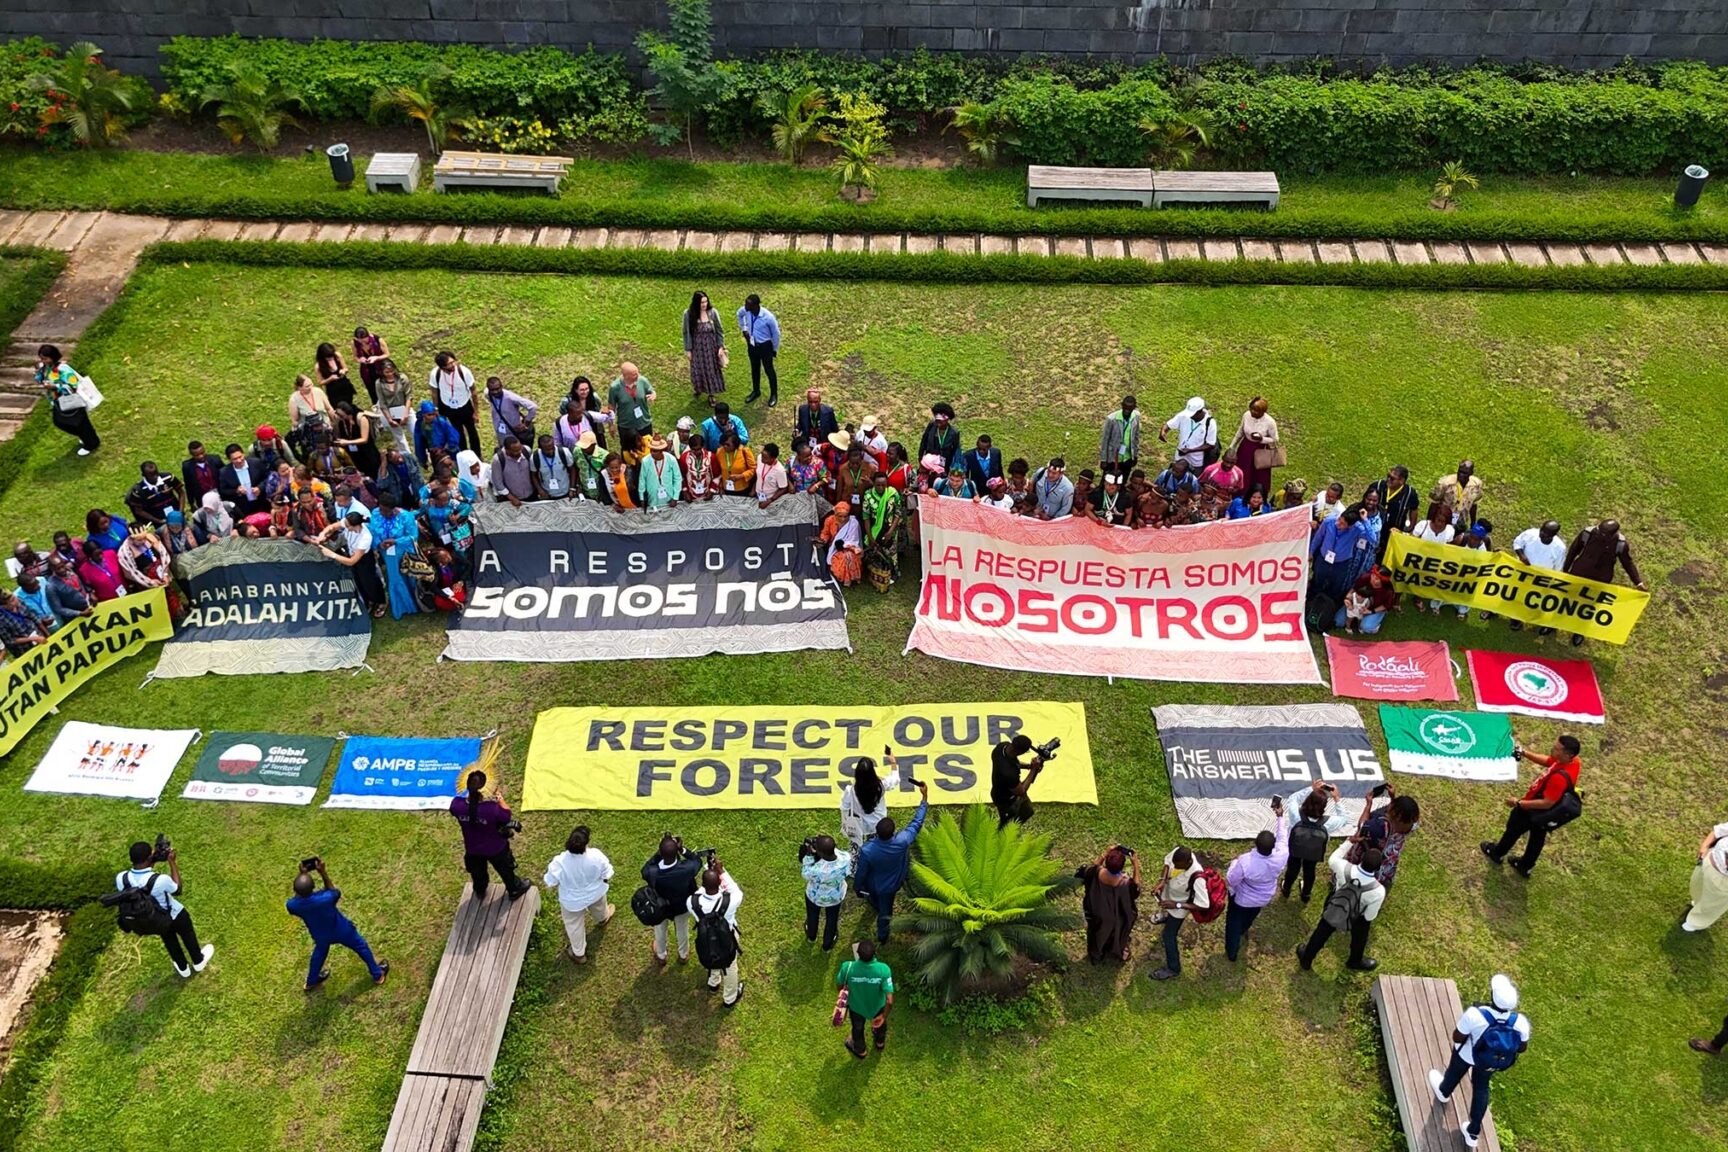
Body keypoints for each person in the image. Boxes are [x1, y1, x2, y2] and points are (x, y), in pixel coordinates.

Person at [1428, 974, 1529, 1149]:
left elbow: (1457, 1037)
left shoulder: (1475, 1014)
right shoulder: (1520, 1022)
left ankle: (1444, 1092)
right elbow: (1521, 1048)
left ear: (1492, 997)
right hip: (1490, 1062)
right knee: (1481, 1088)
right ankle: (1472, 1133)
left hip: (1467, 1055)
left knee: (1454, 1072)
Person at [1481, 734, 1582, 877]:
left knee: (1513, 830)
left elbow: (1547, 803)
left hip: (1532, 809)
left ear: (1568, 754)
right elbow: (1549, 761)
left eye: (1557, 748)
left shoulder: (1559, 778)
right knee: (1537, 837)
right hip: (1545, 815)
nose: (1552, 748)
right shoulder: (1574, 762)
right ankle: (1525, 866)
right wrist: (1524, 753)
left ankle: (1497, 853)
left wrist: (1519, 803)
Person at [116, 839, 213, 978]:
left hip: (154, 919)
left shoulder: (121, 878)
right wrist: (172, 862)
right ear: (149, 857)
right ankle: (198, 961)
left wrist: (152, 860)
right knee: (188, 935)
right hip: (175, 914)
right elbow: (177, 889)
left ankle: (183, 968)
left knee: (169, 940)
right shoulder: (160, 880)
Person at [287, 856, 387, 990]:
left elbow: (299, 895)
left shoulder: (293, 906)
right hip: (341, 930)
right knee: (361, 946)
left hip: (321, 936)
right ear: (313, 887)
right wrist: (323, 872)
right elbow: (334, 892)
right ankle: (377, 974)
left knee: (319, 954)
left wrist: (302, 874)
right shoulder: (325, 898)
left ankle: (311, 982)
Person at [853, 780, 930, 942]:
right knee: (885, 913)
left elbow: (861, 872)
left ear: (876, 832)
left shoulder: (868, 850)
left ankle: (876, 910)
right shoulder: (902, 841)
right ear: (893, 832)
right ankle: (883, 936)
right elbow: (916, 823)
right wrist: (924, 798)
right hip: (891, 885)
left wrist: (858, 887)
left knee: (877, 902)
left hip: (874, 884)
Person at [1295, 844, 1385, 972]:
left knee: (1322, 931)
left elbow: (1333, 858)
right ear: (1378, 868)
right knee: (1361, 934)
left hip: (1336, 905)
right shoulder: (1378, 891)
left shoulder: (1343, 867)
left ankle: (1306, 958)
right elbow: (1369, 916)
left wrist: (1349, 841)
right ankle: (1355, 960)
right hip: (1357, 916)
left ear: (1362, 858)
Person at [1560, 519, 1648, 647]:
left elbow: (1627, 563)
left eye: (1602, 533)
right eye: (1598, 529)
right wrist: (1565, 569)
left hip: (1600, 579)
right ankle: (1554, 625)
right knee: (1567, 599)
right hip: (1579, 573)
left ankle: (1579, 631)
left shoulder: (1620, 544)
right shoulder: (1588, 533)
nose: (1598, 533)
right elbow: (1574, 550)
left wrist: (1638, 582)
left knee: (1589, 606)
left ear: (1612, 535)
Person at [449, 770, 532, 900]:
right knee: (505, 870)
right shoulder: (491, 809)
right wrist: (499, 797)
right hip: (496, 848)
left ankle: (480, 891)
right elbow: (506, 815)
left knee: (478, 873)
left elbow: (458, 810)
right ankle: (514, 889)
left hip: (472, 849)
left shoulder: (456, 805)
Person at [1225, 798, 1289, 962]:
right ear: (1272, 846)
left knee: (1233, 923)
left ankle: (1232, 952)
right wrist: (1280, 817)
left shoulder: (1245, 862)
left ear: (1256, 844)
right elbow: (1283, 838)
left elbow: (1232, 880)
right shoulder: (1281, 855)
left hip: (1242, 899)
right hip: (1263, 897)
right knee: (1250, 916)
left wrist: (1233, 864)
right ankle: (1243, 930)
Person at [544, 826, 615, 964]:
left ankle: (579, 954)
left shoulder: (559, 862)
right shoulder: (596, 856)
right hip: (596, 893)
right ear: (586, 843)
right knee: (600, 907)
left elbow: (550, 882)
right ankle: (603, 919)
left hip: (572, 902)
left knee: (574, 926)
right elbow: (607, 873)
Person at [1282, 780, 1353, 901]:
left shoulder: (1296, 814)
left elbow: (1293, 798)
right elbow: (1344, 818)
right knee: (1310, 870)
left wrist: (1311, 788)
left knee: (1292, 867)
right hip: (1314, 851)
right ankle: (1306, 894)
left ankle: (1286, 888)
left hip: (1295, 847)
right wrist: (1336, 798)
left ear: (1307, 800)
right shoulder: (1328, 823)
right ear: (1324, 806)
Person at [1148, 846, 1210, 981]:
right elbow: (1167, 863)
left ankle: (1173, 968)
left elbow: (1204, 905)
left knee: (1168, 936)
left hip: (1179, 908)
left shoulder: (1197, 877)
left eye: (1178, 865)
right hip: (1170, 897)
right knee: (1166, 911)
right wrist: (1162, 880)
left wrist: (1176, 905)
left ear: (1188, 863)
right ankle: (1165, 916)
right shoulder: (1179, 854)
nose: (1174, 867)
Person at [688, 863, 745, 1006]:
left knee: (711, 956)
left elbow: (701, 891)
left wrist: (709, 873)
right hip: (728, 936)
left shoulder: (691, 902)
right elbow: (735, 890)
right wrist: (721, 872)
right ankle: (729, 998)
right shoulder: (731, 900)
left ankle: (713, 982)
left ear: (703, 884)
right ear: (720, 883)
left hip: (706, 937)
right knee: (730, 966)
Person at [642, 836, 704, 965]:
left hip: (660, 907)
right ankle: (683, 954)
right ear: (676, 853)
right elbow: (697, 860)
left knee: (660, 930)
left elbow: (645, 868)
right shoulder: (687, 869)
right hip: (681, 906)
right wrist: (682, 849)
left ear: (661, 852)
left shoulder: (652, 872)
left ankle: (661, 955)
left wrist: (659, 853)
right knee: (682, 930)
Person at [316, 511, 386, 617]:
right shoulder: (348, 522)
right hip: (352, 553)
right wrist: (322, 534)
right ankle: (368, 601)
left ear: (356, 525)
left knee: (370, 581)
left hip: (364, 559)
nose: (346, 527)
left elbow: (352, 561)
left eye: (348, 526)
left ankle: (380, 602)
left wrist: (331, 554)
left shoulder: (365, 537)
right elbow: (332, 527)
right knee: (358, 581)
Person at [1080, 846, 1141, 964]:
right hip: (1118, 915)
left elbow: (1091, 868)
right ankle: (1119, 950)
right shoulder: (1126, 883)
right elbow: (1136, 888)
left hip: (1097, 912)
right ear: (1123, 866)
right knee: (1119, 931)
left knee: (1095, 932)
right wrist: (1136, 865)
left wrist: (1105, 853)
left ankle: (1096, 954)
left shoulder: (1095, 872)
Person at [36, 343, 99, 455]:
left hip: (71, 400)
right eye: (41, 359)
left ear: (53, 357)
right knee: (61, 422)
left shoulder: (63, 369)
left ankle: (91, 443)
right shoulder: (46, 368)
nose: (43, 361)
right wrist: (38, 373)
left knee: (79, 422)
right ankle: (86, 437)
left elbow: (72, 386)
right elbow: (41, 379)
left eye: (45, 358)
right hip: (58, 401)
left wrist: (55, 387)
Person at [837, 940, 894, 1058]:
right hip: (877, 1006)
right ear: (874, 954)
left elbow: (840, 985)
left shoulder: (847, 967)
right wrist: (883, 1016)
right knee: (880, 1024)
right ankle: (880, 1042)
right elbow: (889, 1000)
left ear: (858, 953)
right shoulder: (883, 969)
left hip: (856, 1007)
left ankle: (860, 1050)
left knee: (857, 1028)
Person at [840, 756, 899, 866]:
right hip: (877, 823)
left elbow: (844, 806)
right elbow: (895, 780)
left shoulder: (850, 790)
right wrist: (893, 763)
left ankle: (854, 868)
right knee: (877, 846)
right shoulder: (881, 786)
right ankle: (876, 863)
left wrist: (845, 822)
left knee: (856, 848)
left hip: (858, 825)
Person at [1508, 519, 1566, 632]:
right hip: (1523, 572)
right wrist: (1521, 555)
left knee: (1533, 599)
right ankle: (1516, 618)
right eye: (1542, 530)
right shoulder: (1530, 534)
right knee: (1518, 595)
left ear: (1553, 535)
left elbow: (1558, 567)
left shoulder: (1559, 548)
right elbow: (1517, 543)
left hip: (1541, 579)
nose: (1542, 534)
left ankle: (1534, 617)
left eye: (1546, 533)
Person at [1310, 504, 1371, 606]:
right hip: (1323, 559)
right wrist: (1311, 552)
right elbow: (1318, 537)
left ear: (1350, 526)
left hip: (1341, 563)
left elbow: (1373, 539)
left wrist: (1365, 521)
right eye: (1339, 520)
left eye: (1342, 524)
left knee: (1335, 587)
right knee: (1317, 582)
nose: (1338, 523)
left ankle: (1328, 607)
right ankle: (1312, 605)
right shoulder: (1329, 521)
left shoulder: (1357, 528)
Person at [800, 834, 850, 951]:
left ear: (820, 854)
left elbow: (805, 873)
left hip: (815, 896)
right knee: (832, 920)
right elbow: (834, 851)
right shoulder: (846, 858)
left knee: (812, 917)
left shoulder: (816, 869)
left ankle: (811, 936)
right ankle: (827, 945)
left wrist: (808, 855)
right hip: (835, 897)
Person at [430, 350, 482, 454]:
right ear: (442, 367)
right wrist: (436, 408)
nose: (453, 365)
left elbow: (474, 392)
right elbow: (434, 392)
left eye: (453, 361)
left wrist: (476, 412)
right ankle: (464, 454)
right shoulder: (435, 374)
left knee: (472, 431)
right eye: (449, 364)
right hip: (449, 407)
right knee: (458, 432)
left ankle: (477, 455)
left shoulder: (464, 372)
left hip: (465, 405)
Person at [1410, 502, 1458, 613]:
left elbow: (1449, 546)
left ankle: (1421, 596)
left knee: (1427, 580)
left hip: (1436, 562)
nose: (1440, 524)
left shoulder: (1450, 530)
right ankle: (1416, 598)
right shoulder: (1423, 526)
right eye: (1438, 520)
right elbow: (1412, 541)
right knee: (1417, 579)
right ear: (1433, 518)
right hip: (1420, 559)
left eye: (1444, 522)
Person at [1366, 466, 1421, 560]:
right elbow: (1365, 501)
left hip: (1393, 532)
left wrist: (1411, 525)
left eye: (1392, 478)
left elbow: (1414, 509)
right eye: (1388, 476)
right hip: (1374, 529)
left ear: (1402, 481)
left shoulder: (1409, 494)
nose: (1388, 479)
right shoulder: (1378, 486)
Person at [990, 735, 1045, 829]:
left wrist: (1029, 766)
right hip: (1006, 800)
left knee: (1027, 811)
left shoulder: (1001, 748)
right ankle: (1003, 837)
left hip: (999, 791)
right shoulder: (1008, 773)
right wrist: (1033, 770)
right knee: (1007, 824)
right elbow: (1021, 791)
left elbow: (1015, 762)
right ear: (1020, 751)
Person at [736, 293, 781, 405]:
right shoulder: (746, 310)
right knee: (754, 368)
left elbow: (776, 334)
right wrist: (744, 329)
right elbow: (739, 314)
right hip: (752, 345)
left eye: (748, 304)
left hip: (765, 346)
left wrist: (774, 349)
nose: (745, 306)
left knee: (769, 370)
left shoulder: (768, 317)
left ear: (755, 305)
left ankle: (774, 394)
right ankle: (756, 391)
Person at [1683, 820, 1728, 932]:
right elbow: (1718, 831)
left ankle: (1695, 922)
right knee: (1697, 886)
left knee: (1712, 905)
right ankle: (1698, 901)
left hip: (1723, 881)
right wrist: (1705, 846)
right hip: (1708, 861)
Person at [1232, 396, 1282, 497]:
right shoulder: (1246, 415)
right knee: (1243, 471)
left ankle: (1257, 497)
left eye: (1257, 411)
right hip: (1246, 447)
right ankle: (1240, 494)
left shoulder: (1270, 422)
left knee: (1259, 476)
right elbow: (1240, 431)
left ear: (1263, 411)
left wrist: (1262, 439)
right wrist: (1232, 446)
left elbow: (1275, 438)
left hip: (1260, 450)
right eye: (1252, 409)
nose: (1253, 412)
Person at [684, 289, 728, 402]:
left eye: (705, 302)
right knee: (697, 369)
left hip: (710, 347)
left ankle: (711, 394)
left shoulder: (712, 313)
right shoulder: (689, 314)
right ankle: (698, 388)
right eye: (701, 302)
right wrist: (688, 349)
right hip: (697, 348)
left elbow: (719, 330)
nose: (704, 305)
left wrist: (720, 346)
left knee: (711, 369)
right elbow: (686, 332)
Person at [1160, 397, 1216, 471]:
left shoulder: (1210, 423)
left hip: (1196, 462)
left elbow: (1210, 444)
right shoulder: (1184, 415)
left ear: (1200, 411)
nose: (1190, 416)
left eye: (1193, 415)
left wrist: (1190, 450)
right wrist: (1163, 431)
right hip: (1180, 458)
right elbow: (1169, 424)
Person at [1338, 566, 1399, 634]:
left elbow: (1385, 605)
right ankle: (1355, 620)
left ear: (1382, 581)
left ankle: (1372, 621)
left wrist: (1371, 611)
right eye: (1373, 575)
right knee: (1338, 622)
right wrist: (1348, 600)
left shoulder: (1388, 590)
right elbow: (1353, 590)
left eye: (1376, 579)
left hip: (1374, 608)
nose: (1372, 579)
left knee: (1366, 628)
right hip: (1355, 604)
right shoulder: (1365, 577)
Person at [484, 375, 538, 449]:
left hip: (513, 431)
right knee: (504, 449)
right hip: (500, 430)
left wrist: (526, 424)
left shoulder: (511, 397)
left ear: (501, 386)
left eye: (497, 389)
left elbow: (533, 407)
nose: (495, 392)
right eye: (492, 390)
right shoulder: (487, 394)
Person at [1430, 460, 1484, 532]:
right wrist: (1429, 523)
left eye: (1465, 473)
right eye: (1460, 471)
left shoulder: (1476, 485)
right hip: (1443, 521)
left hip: (1461, 521)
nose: (1461, 475)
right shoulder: (1445, 483)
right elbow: (1434, 503)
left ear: (1471, 473)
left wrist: (1473, 523)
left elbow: (1474, 505)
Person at [607, 361, 657, 439]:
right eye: (634, 374)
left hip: (644, 423)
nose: (638, 375)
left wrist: (653, 395)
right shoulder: (615, 387)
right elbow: (611, 407)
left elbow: (652, 391)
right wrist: (611, 425)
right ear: (625, 376)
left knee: (647, 447)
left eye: (637, 372)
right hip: (626, 426)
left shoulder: (642, 381)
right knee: (628, 450)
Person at [334, 401, 382, 480]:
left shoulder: (361, 418)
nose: (338, 416)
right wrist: (335, 423)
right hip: (353, 454)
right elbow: (338, 436)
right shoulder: (341, 421)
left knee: (373, 474)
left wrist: (347, 442)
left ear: (348, 414)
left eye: (341, 415)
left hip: (366, 452)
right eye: (337, 413)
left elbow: (364, 439)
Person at [566, 375, 614, 449]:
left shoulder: (594, 397)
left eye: (587, 389)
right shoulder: (567, 401)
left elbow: (599, 411)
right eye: (582, 390)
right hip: (578, 431)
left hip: (595, 428)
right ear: (576, 390)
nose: (585, 392)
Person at [1098, 396, 1141, 476]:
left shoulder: (1136, 416)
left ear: (1134, 407)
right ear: (1122, 405)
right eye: (1125, 407)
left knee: (1123, 479)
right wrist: (1103, 459)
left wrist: (1135, 455)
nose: (1126, 410)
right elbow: (1105, 440)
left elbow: (1136, 436)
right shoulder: (1112, 419)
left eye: (1130, 408)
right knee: (1109, 480)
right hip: (1113, 457)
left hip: (1127, 456)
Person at [638, 435, 683, 510]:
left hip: (669, 497)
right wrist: (642, 498)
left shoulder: (671, 459)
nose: (652, 453)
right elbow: (642, 480)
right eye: (651, 450)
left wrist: (675, 497)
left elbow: (678, 478)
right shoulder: (645, 461)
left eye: (655, 451)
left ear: (661, 451)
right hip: (652, 498)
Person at [414, 399, 461, 468]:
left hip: (448, 451)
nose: (432, 417)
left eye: (433, 414)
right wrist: (422, 460)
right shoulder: (420, 425)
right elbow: (418, 443)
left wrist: (444, 448)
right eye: (429, 415)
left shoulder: (441, 421)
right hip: (434, 453)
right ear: (423, 414)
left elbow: (453, 436)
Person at [0, 589, 48, 656]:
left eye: (14, 597)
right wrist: (31, 639)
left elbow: (34, 617)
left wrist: (47, 633)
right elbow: (10, 640)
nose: (16, 600)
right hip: (25, 650)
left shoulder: (20, 602)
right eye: (12, 600)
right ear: (4, 606)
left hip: (40, 637)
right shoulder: (2, 619)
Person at [490, 436, 535, 507]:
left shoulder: (527, 451)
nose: (519, 452)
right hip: (512, 500)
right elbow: (498, 483)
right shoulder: (498, 460)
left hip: (531, 495)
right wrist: (512, 498)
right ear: (507, 450)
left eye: (520, 448)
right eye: (515, 451)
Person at [375, 447, 424, 512]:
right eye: (396, 460)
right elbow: (381, 485)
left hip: (416, 493)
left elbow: (419, 474)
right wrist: (384, 464)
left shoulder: (408, 457)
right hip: (401, 499)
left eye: (399, 457)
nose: (400, 460)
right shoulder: (387, 468)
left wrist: (422, 494)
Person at [918, 403, 961, 471]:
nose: (938, 424)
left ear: (947, 420)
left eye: (940, 422)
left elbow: (955, 451)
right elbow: (923, 443)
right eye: (937, 421)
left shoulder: (954, 433)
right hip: (928, 463)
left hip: (944, 465)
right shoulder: (931, 426)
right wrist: (920, 460)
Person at [352, 326, 390, 402]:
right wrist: (360, 359)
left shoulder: (377, 340)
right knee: (373, 391)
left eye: (364, 340)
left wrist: (376, 358)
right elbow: (355, 356)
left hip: (380, 366)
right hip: (367, 370)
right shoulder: (354, 343)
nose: (362, 343)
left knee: (385, 389)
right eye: (360, 341)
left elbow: (387, 354)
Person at [834, 441, 877, 508]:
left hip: (864, 505)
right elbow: (839, 490)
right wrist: (838, 505)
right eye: (852, 463)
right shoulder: (842, 469)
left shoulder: (870, 468)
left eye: (857, 463)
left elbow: (877, 488)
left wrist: (870, 483)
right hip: (847, 504)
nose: (855, 465)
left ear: (861, 458)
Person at [714, 429, 755, 497]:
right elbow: (718, 471)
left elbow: (753, 469)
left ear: (735, 444)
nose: (725, 446)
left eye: (728, 444)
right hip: (726, 488)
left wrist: (740, 476)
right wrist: (720, 486)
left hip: (742, 489)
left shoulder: (744, 451)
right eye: (723, 444)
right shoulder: (719, 452)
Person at [680, 434, 718, 501]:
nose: (697, 452)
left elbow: (717, 476)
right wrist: (685, 491)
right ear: (690, 448)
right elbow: (681, 476)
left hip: (708, 493)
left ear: (703, 446)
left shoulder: (711, 457)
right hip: (690, 495)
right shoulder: (684, 458)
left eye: (699, 449)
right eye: (694, 450)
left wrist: (712, 490)